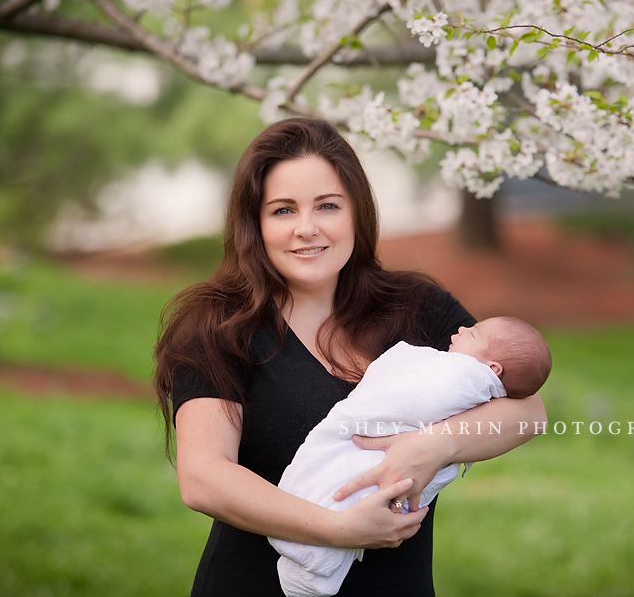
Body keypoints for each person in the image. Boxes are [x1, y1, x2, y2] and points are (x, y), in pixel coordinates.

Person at [153, 117, 547, 597]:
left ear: (356, 213)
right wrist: (337, 530)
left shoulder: (418, 309)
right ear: (254, 223)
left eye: (327, 206)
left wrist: (432, 447)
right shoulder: (217, 327)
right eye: (282, 210)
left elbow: (527, 412)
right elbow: (203, 478)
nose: (306, 228)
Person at [270, 316, 551, 597]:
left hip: (395, 581)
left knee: (356, 487)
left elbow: (532, 415)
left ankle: (317, 560)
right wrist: (335, 528)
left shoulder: (467, 374)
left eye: (473, 332)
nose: (463, 328)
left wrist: (435, 443)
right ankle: (318, 553)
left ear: (492, 369)